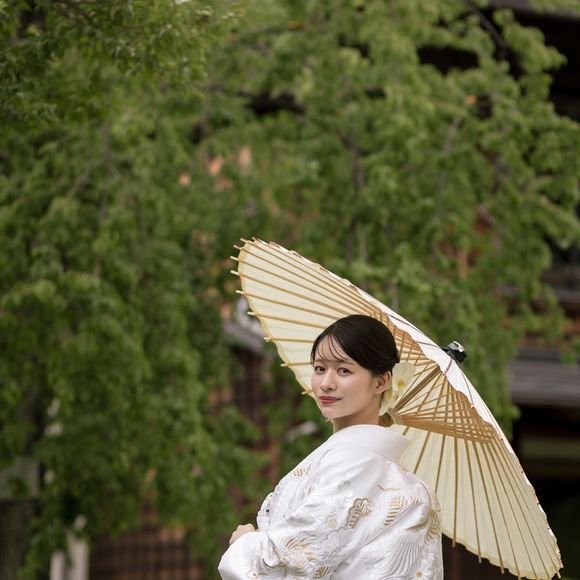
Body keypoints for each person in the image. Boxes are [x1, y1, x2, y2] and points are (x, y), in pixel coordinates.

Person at [218, 314, 443, 579]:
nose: (326, 383)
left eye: (343, 370)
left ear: (381, 382)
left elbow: (281, 563)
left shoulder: (352, 467)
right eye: (319, 368)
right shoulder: (413, 487)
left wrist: (245, 542)